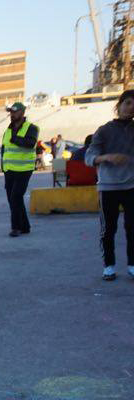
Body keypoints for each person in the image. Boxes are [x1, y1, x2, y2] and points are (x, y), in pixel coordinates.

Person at [85, 89, 134, 281]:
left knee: (132, 227)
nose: (131, 108)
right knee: (108, 228)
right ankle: (109, 265)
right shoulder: (104, 130)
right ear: (119, 105)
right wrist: (106, 157)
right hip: (108, 187)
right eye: (128, 103)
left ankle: (132, 264)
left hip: (131, 185)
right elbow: (89, 156)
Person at [1, 101, 39, 237]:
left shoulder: (32, 128)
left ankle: (16, 227)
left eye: (15, 112)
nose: (12, 114)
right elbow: (4, 149)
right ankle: (25, 226)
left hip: (24, 169)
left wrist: (15, 139)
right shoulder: (8, 130)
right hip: (9, 169)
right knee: (13, 199)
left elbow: (30, 143)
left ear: (22, 113)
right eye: (11, 112)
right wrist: (3, 167)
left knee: (16, 197)